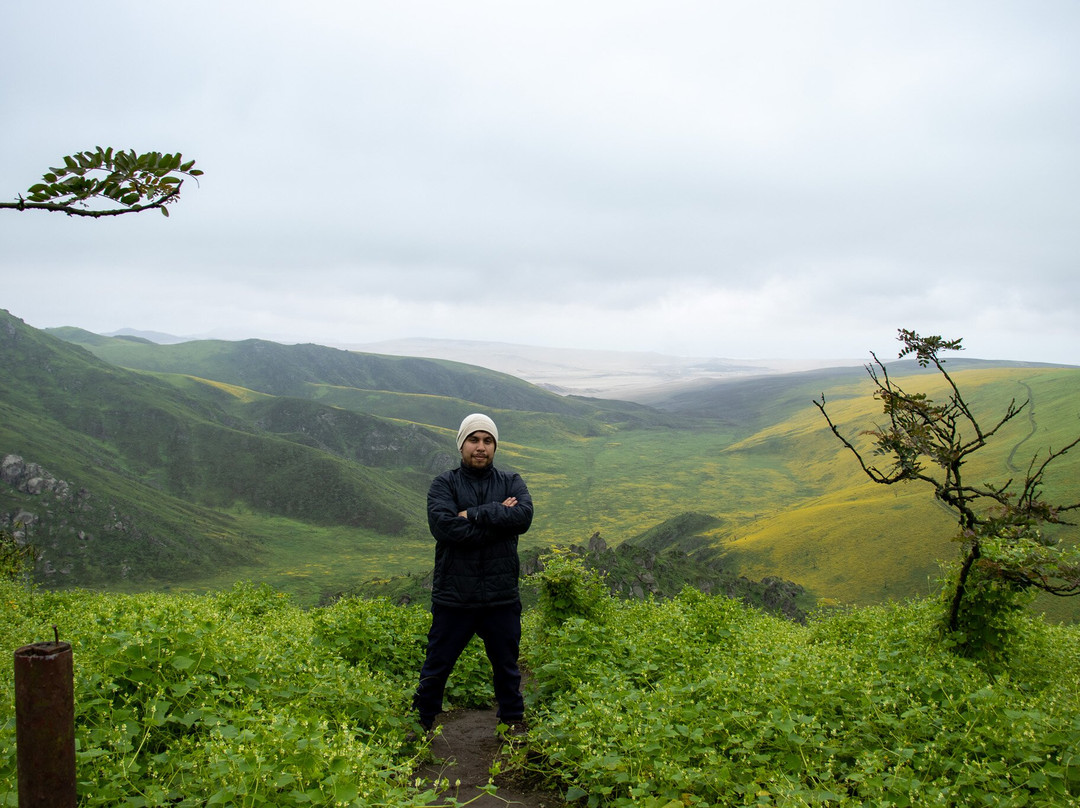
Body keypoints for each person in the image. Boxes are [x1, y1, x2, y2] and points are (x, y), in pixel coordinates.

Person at [412, 412, 534, 733]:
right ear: (461, 445)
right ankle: (419, 725)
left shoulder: (512, 481)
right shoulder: (444, 484)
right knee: (437, 665)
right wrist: (498, 520)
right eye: (474, 440)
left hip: (500, 596)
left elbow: (522, 517)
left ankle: (512, 723)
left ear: (495, 447)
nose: (481, 447)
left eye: (487, 441)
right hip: (455, 596)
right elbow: (446, 528)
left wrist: (474, 514)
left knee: (507, 666)